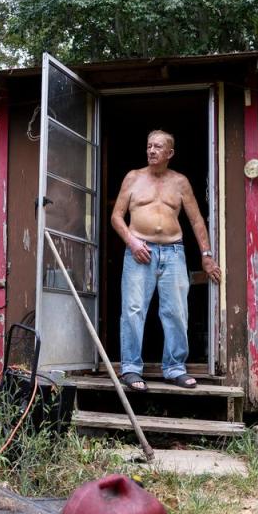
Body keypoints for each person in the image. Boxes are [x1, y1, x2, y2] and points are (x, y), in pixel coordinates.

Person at [110, 130, 221, 391]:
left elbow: (196, 220)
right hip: (140, 251)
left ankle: (174, 369)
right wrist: (132, 242)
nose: (151, 151)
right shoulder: (133, 178)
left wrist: (206, 256)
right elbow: (116, 217)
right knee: (133, 310)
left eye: (157, 147)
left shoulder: (180, 182)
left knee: (176, 312)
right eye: (148, 146)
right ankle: (131, 369)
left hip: (173, 252)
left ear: (169, 153)